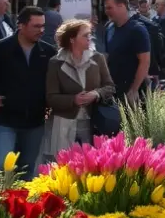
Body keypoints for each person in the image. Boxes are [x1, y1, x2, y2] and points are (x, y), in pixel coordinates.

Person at [0, 6, 55, 180]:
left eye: (43, 26)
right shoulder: (1, 49)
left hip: (35, 120)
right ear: (21, 26)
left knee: (26, 168)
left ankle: (21, 205)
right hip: (6, 118)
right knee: (0, 166)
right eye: (36, 26)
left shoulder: (47, 52)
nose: (41, 30)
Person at [45, 19, 115, 159]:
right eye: (85, 35)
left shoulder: (98, 58)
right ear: (72, 39)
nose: (90, 38)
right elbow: (50, 97)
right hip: (63, 125)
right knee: (62, 169)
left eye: (90, 34)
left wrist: (96, 94)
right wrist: (73, 100)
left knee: (89, 168)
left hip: (91, 123)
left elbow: (110, 87)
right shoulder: (55, 62)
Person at [100, 0, 151, 102]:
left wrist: (134, 89)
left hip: (131, 93)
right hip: (114, 89)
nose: (106, 11)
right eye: (105, 8)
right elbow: (107, 55)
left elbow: (145, 61)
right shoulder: (109, 27)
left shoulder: (137, 30)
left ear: (121, 6)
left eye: (109, 8)